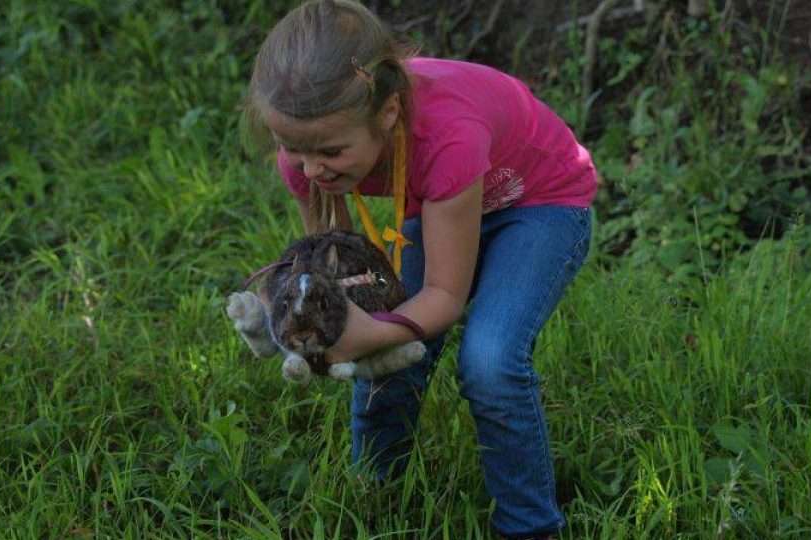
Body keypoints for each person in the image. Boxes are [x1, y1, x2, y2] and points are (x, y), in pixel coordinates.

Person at [244, 1, 596, 538]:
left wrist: (375, 331)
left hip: (539, 204)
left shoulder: (447, 136)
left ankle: (529, 526)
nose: (312, 168)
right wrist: (330, 319)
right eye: (294, 150)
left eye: (331, 151)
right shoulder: (308, 153)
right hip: (442, 200)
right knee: (384, 334)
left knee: (490, 359)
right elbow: (333, 262)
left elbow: (442, 297)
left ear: (387, 113)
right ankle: (376, 496)